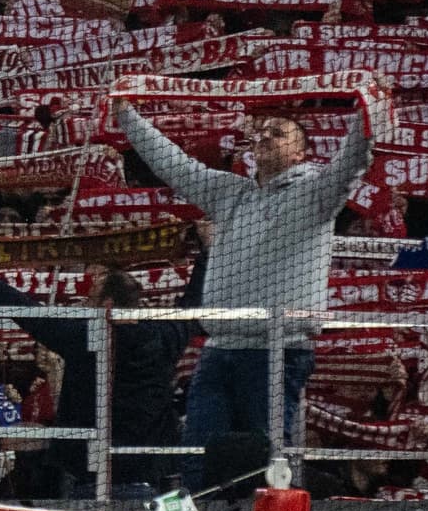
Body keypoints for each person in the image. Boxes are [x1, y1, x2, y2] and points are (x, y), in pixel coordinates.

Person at [113, 102, 374, 486]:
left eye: (279, 132)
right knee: (196, 456)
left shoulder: (316, 191)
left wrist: (367, 120)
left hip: (277, 349)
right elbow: (172, 164)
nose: (265, 136)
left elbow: (351, 164)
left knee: (266, 458)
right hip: (218, 348)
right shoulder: (228, 192)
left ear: (302, 152)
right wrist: (126, 115)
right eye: (262, 130)